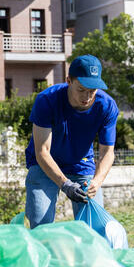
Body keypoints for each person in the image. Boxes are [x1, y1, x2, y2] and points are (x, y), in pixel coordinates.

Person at [24, 55, 118, 228]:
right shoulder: (47, 100)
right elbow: (42, 151)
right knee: (40, 223)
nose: (87, 97)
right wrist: (65, 184)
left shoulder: (107, 106)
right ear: (69, 80)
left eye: (93, 91)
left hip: (80, 164)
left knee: (94, 224)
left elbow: (107, 152)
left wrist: (96, 182)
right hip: (44, 165)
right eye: (81, 89)